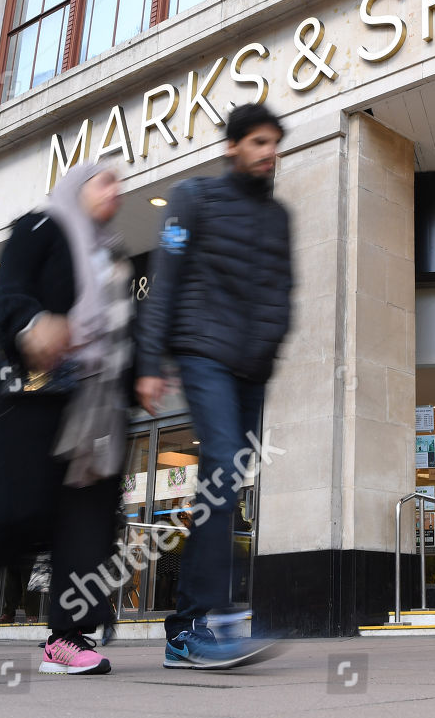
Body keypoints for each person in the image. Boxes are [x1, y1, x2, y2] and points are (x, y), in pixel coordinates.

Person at [0, 164, 132, 676]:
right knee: (20, 513)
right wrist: (32, 323)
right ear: (76, 187)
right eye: (104, 181)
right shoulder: (39, 227)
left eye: (120, 184)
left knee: (88, 521)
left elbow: (120, 332)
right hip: (36, 393)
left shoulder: (113, 255)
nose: (117, 191)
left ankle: (66, 639)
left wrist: (145, 376)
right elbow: (12, 290)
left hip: (96, 404)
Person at [135, 103, 293, 671]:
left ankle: (195, 627)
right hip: (203, 353)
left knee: (228, 486)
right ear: (232, 147)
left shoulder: (278, 217)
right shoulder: (193, 198)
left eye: (274, 142)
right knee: (222, 470)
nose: (268, 152)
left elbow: (283, 292)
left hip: (252, 368)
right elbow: (166, 279)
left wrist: (269, 351)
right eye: (257, 142)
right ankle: (198, 625)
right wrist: (150, 360)